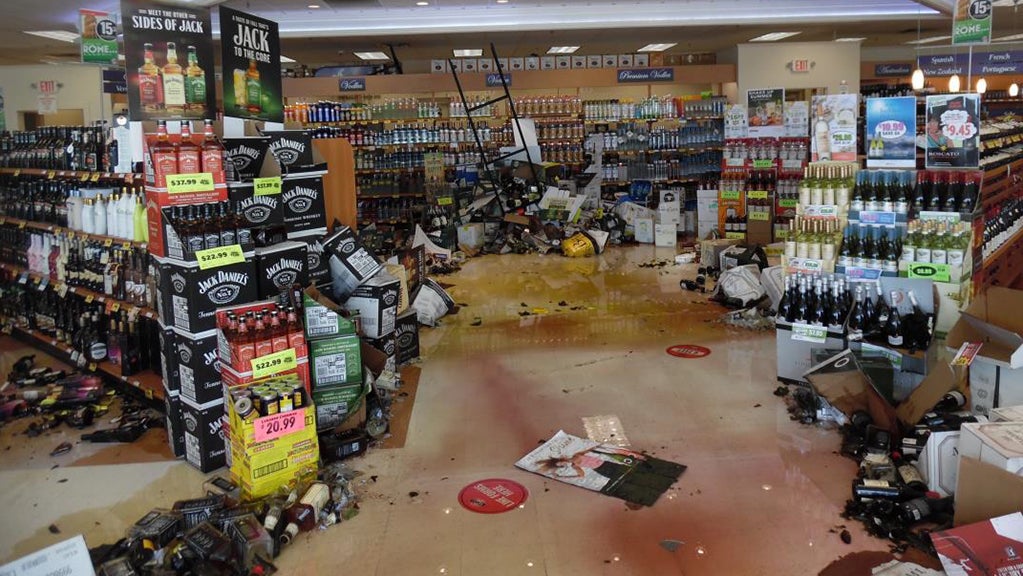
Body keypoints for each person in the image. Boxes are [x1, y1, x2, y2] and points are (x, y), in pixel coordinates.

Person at [535, 444, 685, 506]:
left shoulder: (577, 454)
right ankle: (652, 486)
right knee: (626, 479)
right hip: (602, 470)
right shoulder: (575, 466)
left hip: (607, 464)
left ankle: (659, 478)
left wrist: (599, 446)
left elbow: (590, 449)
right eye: (561, 466)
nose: (564, 464)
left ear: (561, 459)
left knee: (633, 470)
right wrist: (562, 477)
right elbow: (580, 476)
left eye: (561, 463)